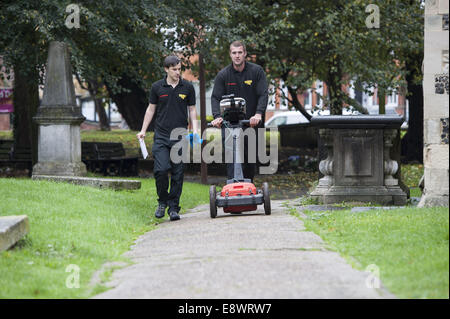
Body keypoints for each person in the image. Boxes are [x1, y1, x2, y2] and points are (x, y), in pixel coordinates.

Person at [137, 55, 198, 221]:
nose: (178, 72)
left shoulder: (188, 87)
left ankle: (173, 208)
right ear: (166, 69)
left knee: (178, 174)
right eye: (174, 69)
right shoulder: (158, 87)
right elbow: (151, 109)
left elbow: (192, 110)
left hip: (180, 137)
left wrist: (195, 129)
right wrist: (143, 130)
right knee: (161, 170)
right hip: (161, 137)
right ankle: (162, 201)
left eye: (179, 69)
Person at [211, 40, 268, 182]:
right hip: (230, 125)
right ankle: (233, 188)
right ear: (230, 54)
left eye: (240, 53)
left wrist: (258, 114)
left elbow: (263, 94)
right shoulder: (223, 75)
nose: (237, 56)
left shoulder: (256, 72)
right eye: (234, 53)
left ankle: (248, 189)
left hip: (250, 123)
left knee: (249, 161)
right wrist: (217, 117)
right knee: (232, 158)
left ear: (245, 54)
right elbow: (215, 98)